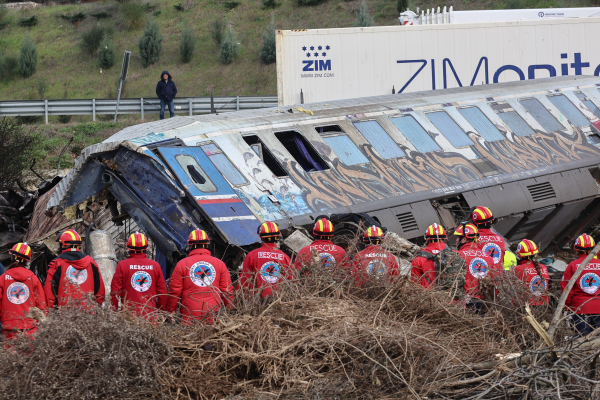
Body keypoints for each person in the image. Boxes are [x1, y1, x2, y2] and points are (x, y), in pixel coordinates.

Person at [167, 230, 233, 324]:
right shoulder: (220, 264)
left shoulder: (182, 264)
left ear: (190, 245)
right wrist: (230, 311)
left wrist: (171, 311)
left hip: (189, 316)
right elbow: (227, 290)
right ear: (207, 244)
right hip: (213, 316)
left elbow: (174, 291)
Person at [110, 232, 167, 317]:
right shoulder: (155, 266)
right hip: (150, 317)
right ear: (146, 248)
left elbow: (115, 291)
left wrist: (113, 310)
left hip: (128, 317)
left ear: (128, 248)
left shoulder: (122, 265)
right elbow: (162, 293)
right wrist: (161, 313)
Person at [44, 230, 105, 308]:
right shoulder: (91, 262)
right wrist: (97, 308)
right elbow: (100, 291)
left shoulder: (56, 264)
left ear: (63, 245)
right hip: (89, 315)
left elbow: (49, 293)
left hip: (65, 316)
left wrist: (51, 312)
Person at [0, 243, 47, 341]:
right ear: (27, 260)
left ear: (12, 257)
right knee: (28, 355)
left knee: (11, 355)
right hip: (29, 326)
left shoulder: (3, 278)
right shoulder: (33, 278)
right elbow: (41, 304)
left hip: (9, 327)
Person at [238, 222, 293, 298]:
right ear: (278, 236)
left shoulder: (252, 256)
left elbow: (244, 282)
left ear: (261, 237)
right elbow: (292, 281)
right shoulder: (285, 257)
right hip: (279, 302)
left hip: (258, 303)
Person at [561, 234, 600, 336]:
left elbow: (567, 290)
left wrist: (566, 308)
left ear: (576, 248)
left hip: (579, 309)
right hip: (599, 308)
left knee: (581, 343)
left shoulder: (573, 265)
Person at [454, 223, 496, 312]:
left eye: (458, 237)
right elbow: (494, 281)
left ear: (464, 239)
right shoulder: (489, 258)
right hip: (484, 303)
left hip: (464, 303)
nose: (456, 240)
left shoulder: (457, 255)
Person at [411, 223, 447, 288]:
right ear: (444, 238)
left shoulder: (419, 258)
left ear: (427, 240)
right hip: (451, 296)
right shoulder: (454, 254)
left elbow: (415, 284)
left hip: (428, 296)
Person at [514, 239, 549, 306]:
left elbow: (513, 290)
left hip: (526, 307)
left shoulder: (518, 269)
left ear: (520, 255)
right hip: (544, 307)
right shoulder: (544, 268)